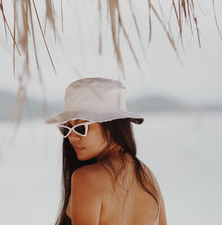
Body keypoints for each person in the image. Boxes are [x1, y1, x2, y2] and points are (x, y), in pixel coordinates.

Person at [45, 78, 167, 225]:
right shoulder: (149, 178)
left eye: (80, 128)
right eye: (67, 128)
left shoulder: (86, 178)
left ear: (110, 127)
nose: (71, 137)